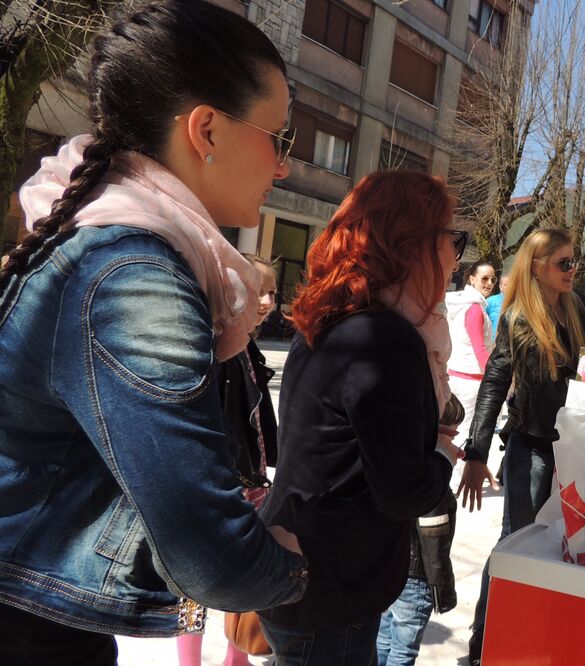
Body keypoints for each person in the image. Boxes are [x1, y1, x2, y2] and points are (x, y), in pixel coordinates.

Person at [0, 3, 308, 663]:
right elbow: (208, 549)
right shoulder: (134, 276)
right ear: (207, 130)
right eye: (278, 136)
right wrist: (283, 565)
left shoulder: (96, 240)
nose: (283, 166)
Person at [256, 170, 464, 666]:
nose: (457, 255)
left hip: (303, 571)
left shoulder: (334, 318)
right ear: (411, 245)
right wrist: (438, 455)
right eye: (451, 238)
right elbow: (402, 490)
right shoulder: (384, 338)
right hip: (331, 587)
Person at [458, 229, 585, 665]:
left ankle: (527, 640)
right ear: (537, 265)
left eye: (574, 262)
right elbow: (494, 383)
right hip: (529, 448)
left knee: (556, 548)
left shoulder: (576, 309)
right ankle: (485, 646)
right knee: (514, 544)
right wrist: (476, 452)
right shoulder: (517, 317)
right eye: (564, 263)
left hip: (569, 449)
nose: (573, 270)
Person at [176, 255, 280, 666]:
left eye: (273, 291)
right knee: (196, 583)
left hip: (250, 479)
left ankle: (234, 660)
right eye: (260, 290)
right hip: (216, 483)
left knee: (243, 574)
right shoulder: (214, 346)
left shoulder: (246, 346)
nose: (268, 300)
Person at [376, 395, 463, 666]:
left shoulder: (402, 464)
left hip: (394, 570)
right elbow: (433, 540)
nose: (455, 442)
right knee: (403, 650)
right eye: (450, 434)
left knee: (383, 637)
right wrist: (441, 587)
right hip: (416, 577)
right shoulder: (432, 484)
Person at [446, 260, 496, 446]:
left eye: (493, 279)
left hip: (457, 375)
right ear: (472, 279)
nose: (490, 283)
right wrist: (494, 377)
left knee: (452, 430)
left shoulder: (463, 304)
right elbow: (479, 348)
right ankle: (458, 472)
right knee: (464, 432)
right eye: (484, 278)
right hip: (469, 381)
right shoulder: (474, 308)